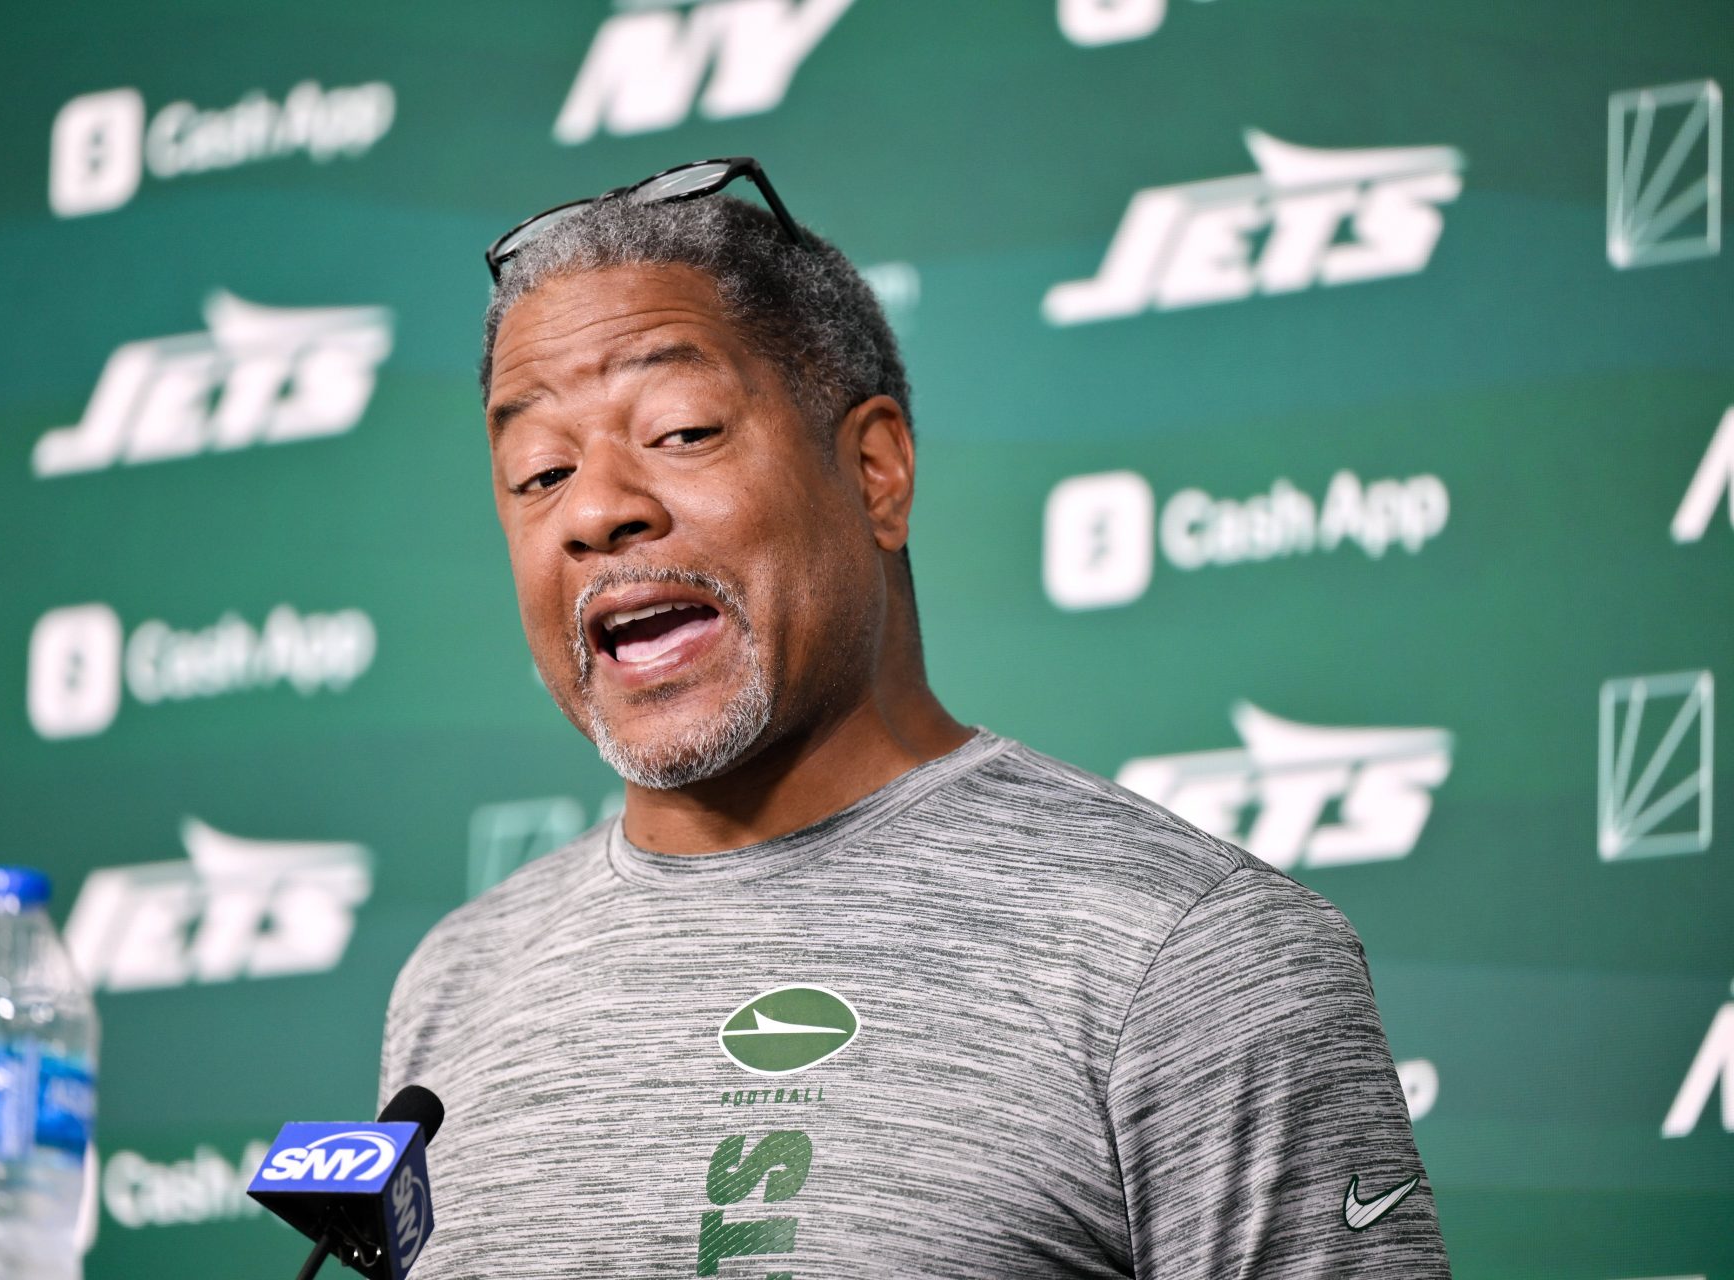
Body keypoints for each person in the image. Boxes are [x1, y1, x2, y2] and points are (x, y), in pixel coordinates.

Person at [381, 157, 1449, 1277]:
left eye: (682, 430)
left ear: (876, 471)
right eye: (540, 471)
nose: (597, 508)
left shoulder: (1188, 950)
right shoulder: (455, 985)